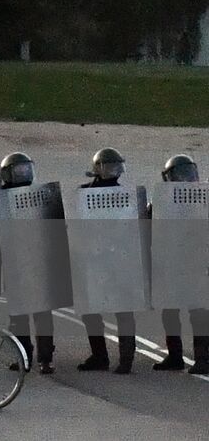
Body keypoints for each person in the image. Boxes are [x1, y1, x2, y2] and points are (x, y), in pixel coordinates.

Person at [76, 147, 138, 373]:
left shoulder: (125, 196)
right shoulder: (87, 194)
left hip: (114, 258)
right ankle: (107, 357)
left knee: (115, 310)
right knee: (94, 309)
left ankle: (119, 358)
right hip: (102, 257)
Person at [0, 151, 56, 374]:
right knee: (32, 315)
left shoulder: (38, 195)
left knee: (27, 315)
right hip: (28, 262)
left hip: (27, 262)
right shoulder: (38, 195)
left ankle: (33, 358)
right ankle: (40, 358)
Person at [151, 154, 207, 375]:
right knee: (171, 310)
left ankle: (203, 357)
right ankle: (176, 355)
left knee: (198, 313)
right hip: (174, 263)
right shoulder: (164, 203)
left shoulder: (203, 198)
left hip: (196, 263)